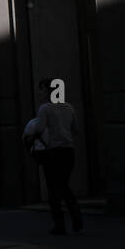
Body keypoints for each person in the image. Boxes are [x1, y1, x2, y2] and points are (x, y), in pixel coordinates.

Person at [25, 80, 82, 235]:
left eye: (42, 90)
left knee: (54, 189)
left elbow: (39, 128)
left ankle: (60, 225)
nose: (40, 93)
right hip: (69, 151)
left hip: (53, 152)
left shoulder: (45, 108)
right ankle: (77, 218)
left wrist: (31, 136)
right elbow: (76, 129)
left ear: (49, 91)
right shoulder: (69, 107)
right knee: (64, 185)